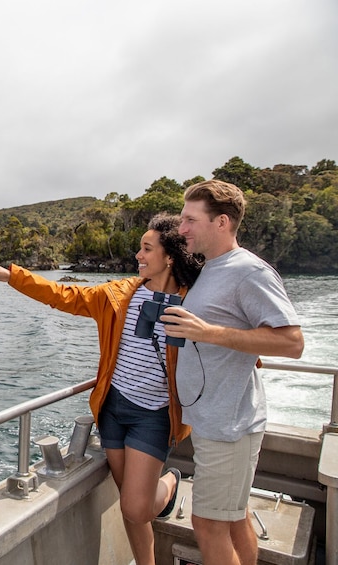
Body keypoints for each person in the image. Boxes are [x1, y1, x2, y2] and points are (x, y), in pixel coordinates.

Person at [0, 213, 202, 565]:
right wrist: (11, 277)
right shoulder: (117, 295)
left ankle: (170, 482)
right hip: (113, 410)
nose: (138, 256)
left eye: (146, 249)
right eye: (139, 249)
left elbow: (220, 351)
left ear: (170, 256)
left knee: (136, 504)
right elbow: (63, 294)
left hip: (155, 415)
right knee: (131, 507)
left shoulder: (195, 301)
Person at [161, 179, 304, 565]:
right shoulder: (209, 269)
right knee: (234, 518)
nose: (182, 229)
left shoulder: (249, 272)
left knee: (207, 525)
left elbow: (292, 343)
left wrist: (208, 333)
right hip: (214, 421)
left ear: (221, 222)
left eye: (190, 219)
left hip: (230, 426)